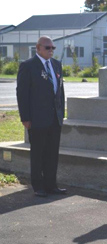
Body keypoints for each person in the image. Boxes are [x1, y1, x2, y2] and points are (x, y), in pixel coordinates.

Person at [16, 36, 66, 197]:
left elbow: (60, 92)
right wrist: (25, 118)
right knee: (38, 154)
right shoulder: (28, 66)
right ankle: (38, 186)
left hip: (54, 119)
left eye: (53, 48)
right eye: (47, 48)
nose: (51, 50)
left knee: (52, 153)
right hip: (36, 118)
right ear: (38, 48)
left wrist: (61, 114)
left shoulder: (57, 65)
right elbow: (22, 93)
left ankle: (52, 185)